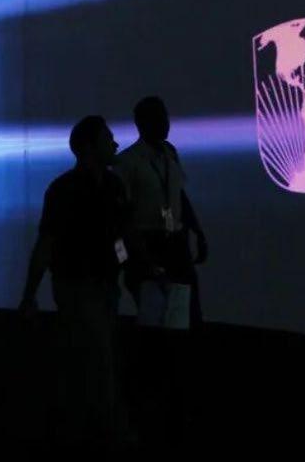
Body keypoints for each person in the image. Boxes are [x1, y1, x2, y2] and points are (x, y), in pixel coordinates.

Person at [18, 115, 133, 447]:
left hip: (101, 286)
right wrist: (30, 293)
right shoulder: (66, 190)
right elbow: (48, 243)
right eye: (108, 138)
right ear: (89, 146)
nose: (115, 144)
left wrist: (121, 266)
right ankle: (107, 432)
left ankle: (85, 430)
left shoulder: (109, 186)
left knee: (93, 358)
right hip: (78, 287)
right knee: (99, 358)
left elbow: (118, 235)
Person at [113, 96, 208, 440]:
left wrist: (196, 230)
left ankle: (181, 394)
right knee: (155, 325)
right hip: (147, 245)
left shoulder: (170, 153)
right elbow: (120, 217)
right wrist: (130, 260)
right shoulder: (127, 163)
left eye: (165, 116)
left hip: (174, 243)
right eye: (159, 117)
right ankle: (155, 402)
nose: (166, 123)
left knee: (187, 316)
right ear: (143, 123)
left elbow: (178, 196)